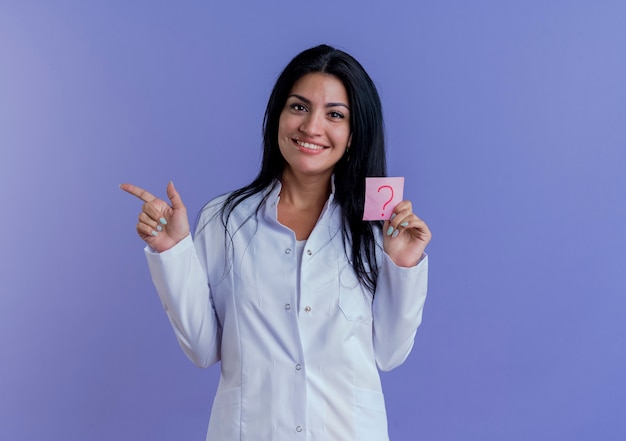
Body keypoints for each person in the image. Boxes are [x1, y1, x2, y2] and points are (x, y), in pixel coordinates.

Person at [121, 44, 431, 441]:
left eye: (335, 114)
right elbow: (202, 350)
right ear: (278, 116)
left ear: (354, 135)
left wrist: (402, 265)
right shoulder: (225, 219)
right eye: (299, 107)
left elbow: (389, 354)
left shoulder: (377, 228)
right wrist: (172, 250)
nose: (312, 127)